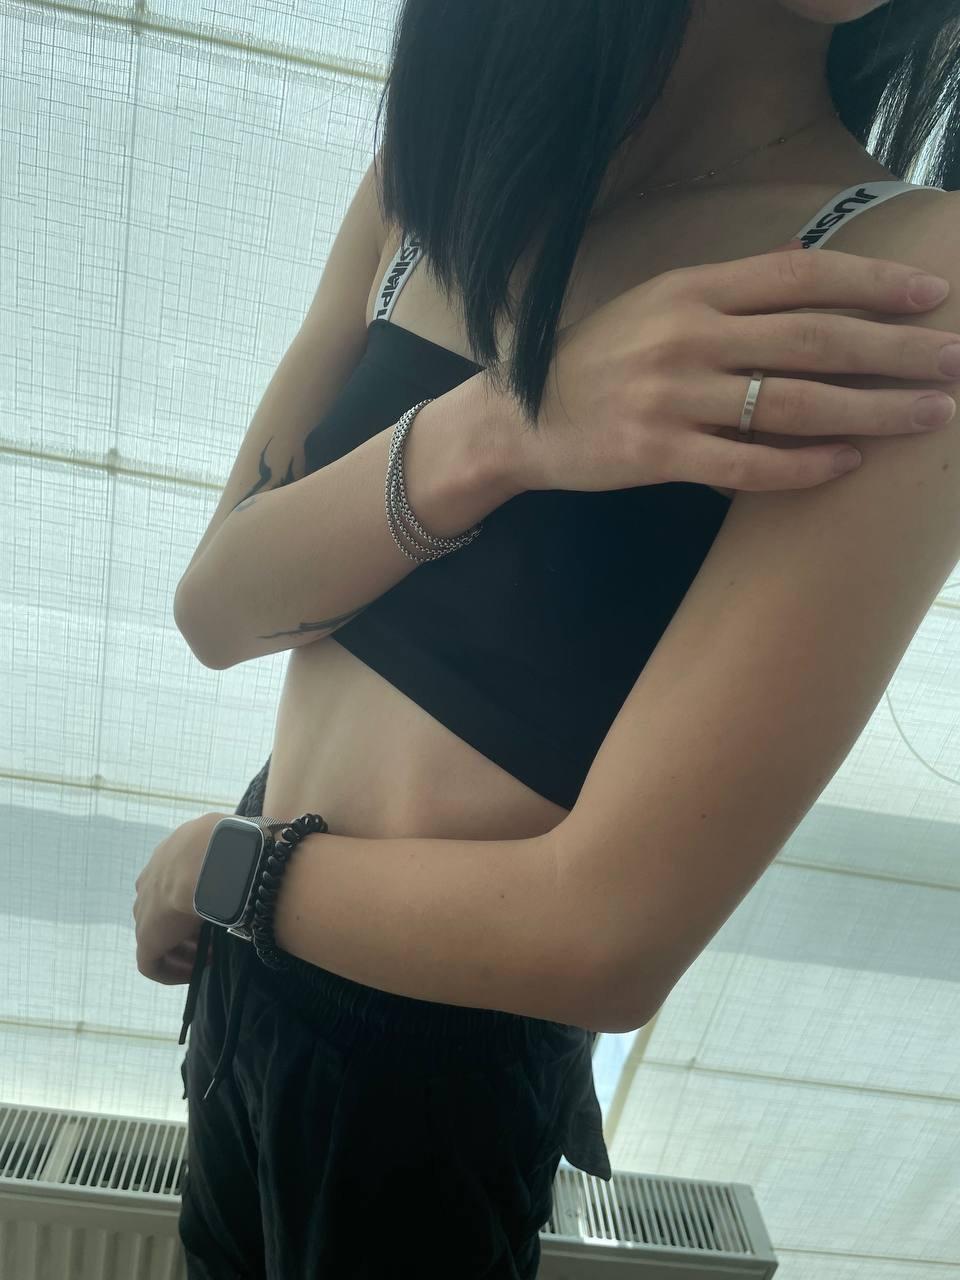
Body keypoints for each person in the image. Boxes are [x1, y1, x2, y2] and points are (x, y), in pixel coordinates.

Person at [165, 2, 960, 1276]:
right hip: (245, 974)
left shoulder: (907, 273)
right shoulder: (433, 171)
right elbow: (218, 607)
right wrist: (506, 429)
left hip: (427, 1061)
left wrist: (232, 869)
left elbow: (604, 936)